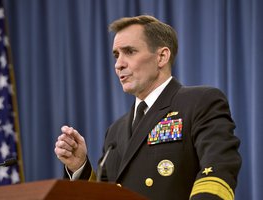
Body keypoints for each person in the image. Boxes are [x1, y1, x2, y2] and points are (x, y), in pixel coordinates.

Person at [54, 15, 241, 200]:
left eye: (129, 51)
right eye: (116, 55)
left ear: (161, 57)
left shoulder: (200, 102)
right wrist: (79, 166)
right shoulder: (115, 131)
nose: (119, 64)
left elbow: (218, 171)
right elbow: (105, 194)